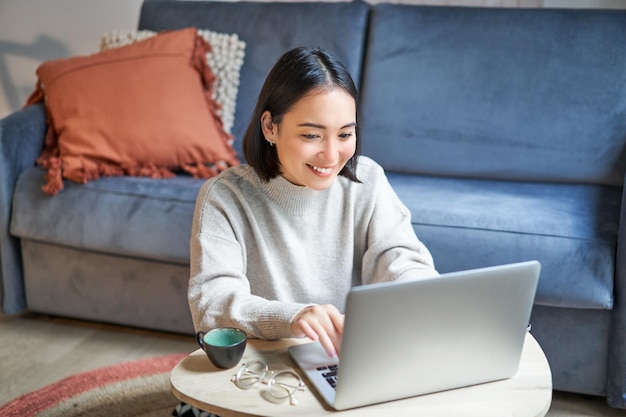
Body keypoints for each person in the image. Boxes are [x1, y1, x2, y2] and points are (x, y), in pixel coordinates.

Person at [173, 46, 437, 417]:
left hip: (342, 368)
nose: (332, 155)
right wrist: (292, 317)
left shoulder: (368, 181)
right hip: (263, 376)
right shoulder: (225, 196)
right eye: (312, 136)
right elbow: (213, 304)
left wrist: (422, 293)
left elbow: (400, 259)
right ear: (270, 127)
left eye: (345, 133)